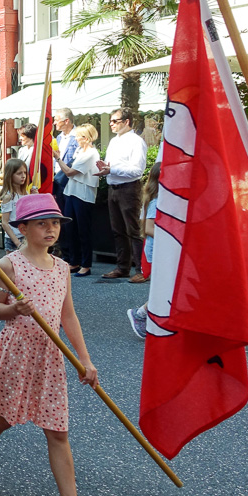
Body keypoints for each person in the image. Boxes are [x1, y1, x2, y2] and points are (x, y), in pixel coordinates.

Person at [0, 194, 113, 496]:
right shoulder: (10, 265)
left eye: (55, 222)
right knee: (1, 418)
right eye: (42, 223)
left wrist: (84, 359)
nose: (51, 229)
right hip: (17, 352)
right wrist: (14, 309)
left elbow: (68, 315)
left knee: (58, 431)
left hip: (51, 356)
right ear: (23, 228)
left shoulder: (62, 267)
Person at [95, 108, 147, 280]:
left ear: (127, 122)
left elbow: (137, 170)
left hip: (129, 188)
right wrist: (106, 170)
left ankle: (140, 269)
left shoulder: (136, 141)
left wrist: (112, 169)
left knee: (133, 230)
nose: (111, 124)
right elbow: (114, 166)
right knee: (118, 230)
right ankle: (122, 267)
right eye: (110, 121)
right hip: (113, 187)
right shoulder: (114, 141)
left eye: (115, 121)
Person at [125, 162, 162, 337]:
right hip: (158, 250)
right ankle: (140, 314)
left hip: (161, 250)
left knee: (167, 289)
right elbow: (148, 228)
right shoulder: (156, 200)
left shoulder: (160, 197)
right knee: (165, 289)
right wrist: (171, 238)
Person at [57, 124, 99, 277]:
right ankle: (74, 262)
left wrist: (58, 158)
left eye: (78, 137)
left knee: (83, 230)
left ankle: (86, 264)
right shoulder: (80, 151)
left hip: (84, 195)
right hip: (72, 192)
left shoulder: (91, 154)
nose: (75, 139)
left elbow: (69, 172)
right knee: (70, 229)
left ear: (86, 138)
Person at [52, 108, 78, 260]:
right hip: (57, 182)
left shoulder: (77, 137)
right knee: (59, 217)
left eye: (57, 119)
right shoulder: (58, 138)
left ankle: (71, 255)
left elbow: (74, 161)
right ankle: (62, 250)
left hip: (69, 181)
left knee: (68, 219)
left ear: (66, 121)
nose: (54, 122)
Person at [0, 159, 29, 252]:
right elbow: (5, 222)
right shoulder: (9, 197)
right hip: (13, 238)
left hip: (25, 236)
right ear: (10, 175)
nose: (23, 176)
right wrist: (18, 243)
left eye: (25, 172)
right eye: (19, 173)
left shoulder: (26, 193)